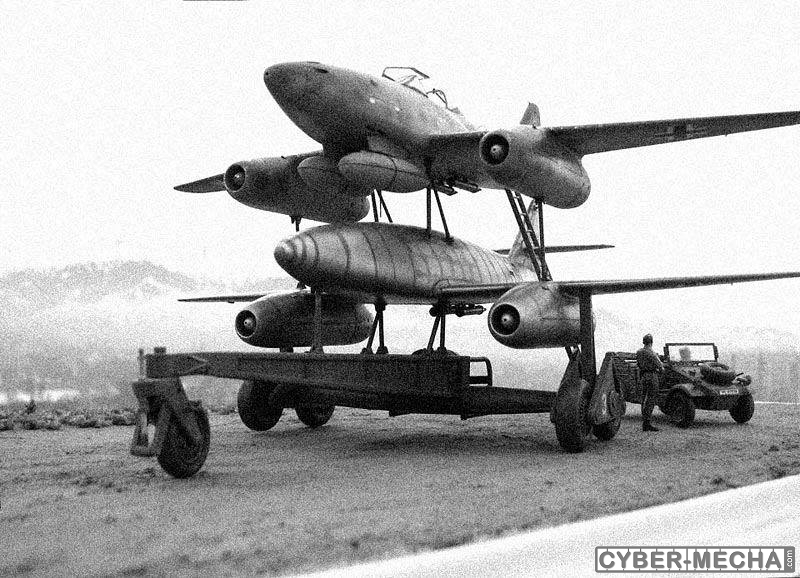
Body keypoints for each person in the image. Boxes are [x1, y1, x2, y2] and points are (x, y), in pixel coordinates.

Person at [636, 333, 664, 432]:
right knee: (651, 399)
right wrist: (661, 371)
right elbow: (660, 366)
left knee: (644, 399)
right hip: (652, 376)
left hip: (643, 376)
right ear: (651, 342)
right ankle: (647, 423)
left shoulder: (639, 352)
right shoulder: (651, 352)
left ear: (643, 342)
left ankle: (645, 422)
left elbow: (639, 364)